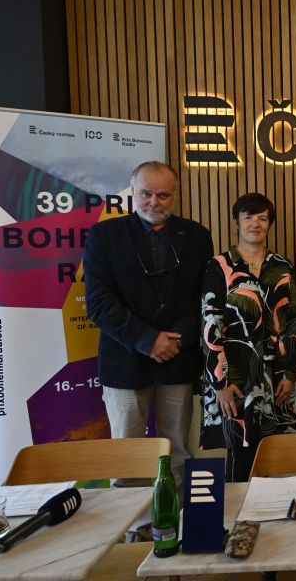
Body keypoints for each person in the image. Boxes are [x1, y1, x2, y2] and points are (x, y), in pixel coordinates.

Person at [84, 161, 213, 485]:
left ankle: (179, 516)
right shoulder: (104, 235)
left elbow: (206, 299)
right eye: (145, 194)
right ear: (133, 192)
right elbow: (99, 303)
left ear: (175, 195)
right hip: (124, 362)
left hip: (177, 359)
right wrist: (148, 339)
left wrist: (176, 339)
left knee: (178, 454)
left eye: (163, 195)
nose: (153, 202)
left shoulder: (197, 236)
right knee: (127, 461)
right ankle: (133, 519)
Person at [200, 192, 296, 482]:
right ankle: (238, 512)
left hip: (276, 373)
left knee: (275, 454)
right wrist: (220, 383)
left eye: (262, 218)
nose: (255, 224)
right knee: (240, 455)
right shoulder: (219, 265)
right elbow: (210, 325)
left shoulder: (282, 266)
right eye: (248, 218)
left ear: (270, 223)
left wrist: (290, 373)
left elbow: (293, 322)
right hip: (235, 374)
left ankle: (270, 511)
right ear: (237, 222)